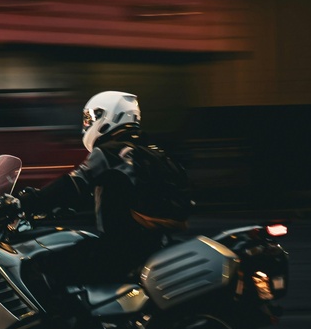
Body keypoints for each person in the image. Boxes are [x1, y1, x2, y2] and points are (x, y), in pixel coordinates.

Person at [16, 91, 191, 290]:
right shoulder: (150, 151)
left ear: (110, 115)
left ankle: (70, 321)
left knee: (42, 266)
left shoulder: (110, 151)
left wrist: (25, 201)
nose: (87, 124)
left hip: (120, 251)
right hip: (155, 244)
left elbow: (74, 183)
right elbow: (117, 194)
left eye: (91, 117)